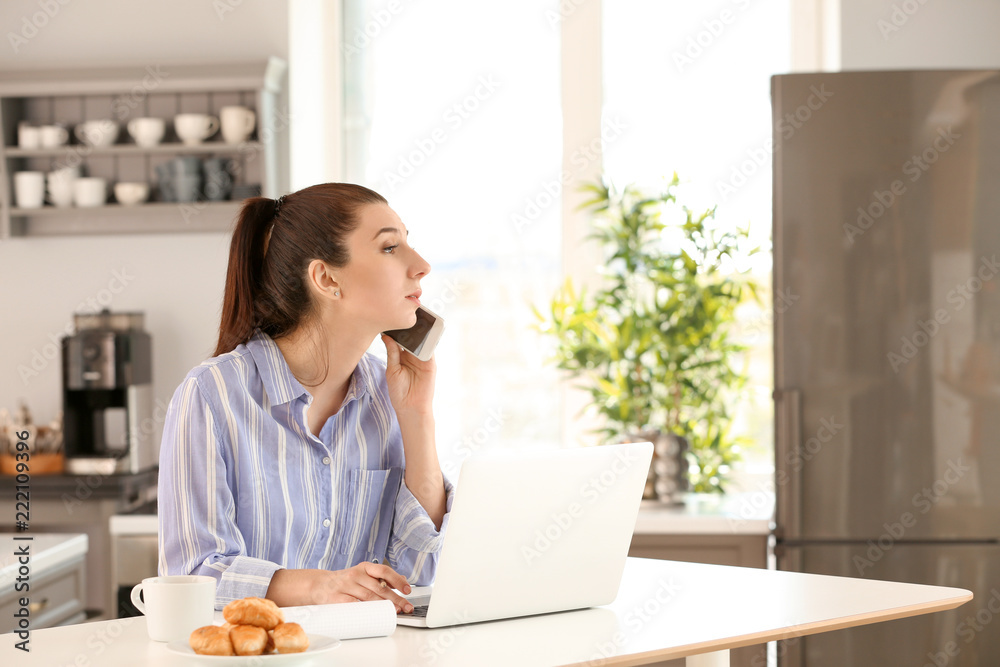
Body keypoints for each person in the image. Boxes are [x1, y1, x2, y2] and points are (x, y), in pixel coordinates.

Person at [158, 183, 453, 614]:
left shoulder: (389, 394)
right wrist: (319, 587)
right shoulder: (212, 396)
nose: (421, 265)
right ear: (327, 278)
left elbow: (419, 578)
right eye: (390, 247)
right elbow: (194, 574)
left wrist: (417, 418)